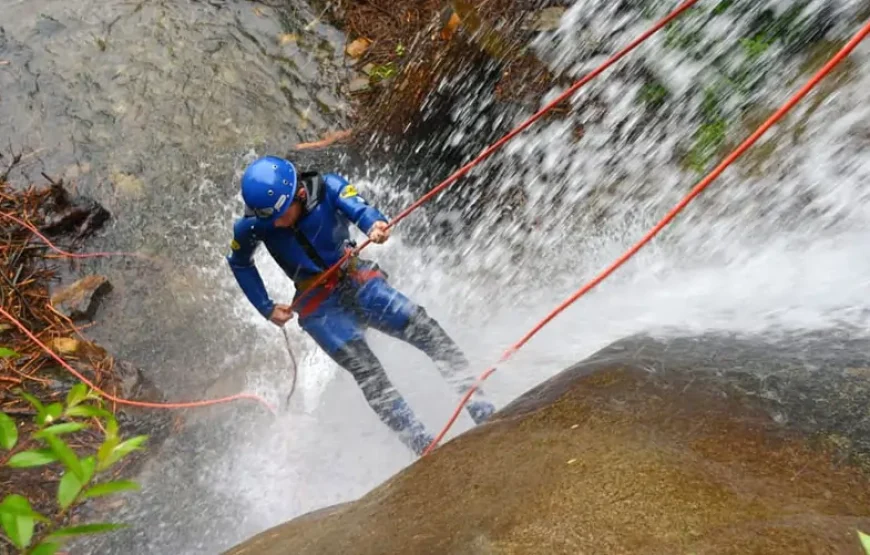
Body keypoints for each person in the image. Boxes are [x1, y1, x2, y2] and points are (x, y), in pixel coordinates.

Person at [226, 155, 496, 455]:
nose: (274, 224)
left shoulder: (329, 187)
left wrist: (373, 225)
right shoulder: (253, 225)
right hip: (319, 306)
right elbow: (239, 263)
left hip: (357, 279)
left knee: (427, 331)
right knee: (368, 372)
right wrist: (265, 307)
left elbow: (359, 208)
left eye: (279, 215)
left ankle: (483, 409)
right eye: (268, 219)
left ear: (299, 194)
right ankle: (425, 449)